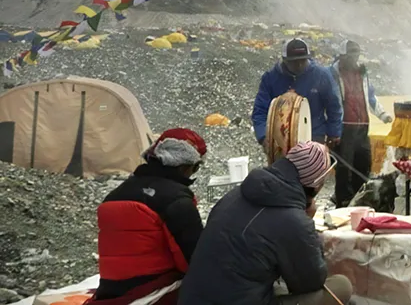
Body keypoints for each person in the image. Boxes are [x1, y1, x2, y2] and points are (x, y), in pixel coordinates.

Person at [179, 142, 353, 305]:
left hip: (192, 297)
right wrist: (307, 221)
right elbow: (310, 282)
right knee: (341, 286)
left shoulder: (234, 194)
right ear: (316, 185)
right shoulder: (294, 221)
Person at [90, 129, 207, 305]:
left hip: (109, 293)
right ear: (186, 166)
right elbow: (195, 261)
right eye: (195, 167)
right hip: (154, 294)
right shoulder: (175, 200)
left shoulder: (114, 195)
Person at [330, 40, 394, 207]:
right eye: (351, 54)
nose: (355, 58)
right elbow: (332, 101)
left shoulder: (362, 73)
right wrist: (333, 128)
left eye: (356, 54)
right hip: (345, 125)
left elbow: (370, 96)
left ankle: (361, 198)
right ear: (342, 55)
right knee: (345, 166)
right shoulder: (333, 73)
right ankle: (343, 200)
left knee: (364, 161)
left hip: (362, 124)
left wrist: (382, 114)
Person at [252, 39, 343, 153]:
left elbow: (333, 106)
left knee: (311, 169)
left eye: (303, 60)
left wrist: (333, 133)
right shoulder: (271, 78)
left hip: (314, 136)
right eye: (294, 62)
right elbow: (260, 110)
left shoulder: (321, 75)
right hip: (281, 140)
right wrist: (264, 137)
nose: (299, 65)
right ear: (285, 60)